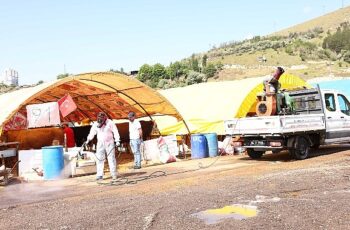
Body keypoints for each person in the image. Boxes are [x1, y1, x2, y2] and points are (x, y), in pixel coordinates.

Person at [86, 112, 121, 181]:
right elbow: (92, 133)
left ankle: (113, 174)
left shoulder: (110, 123)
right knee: (99, 158)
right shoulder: (95, 124)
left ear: (104, 119)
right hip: (100, 144)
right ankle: (99, 175)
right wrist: (88, 140)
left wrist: (117, 140)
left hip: (109, 143)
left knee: (111, 158)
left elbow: (115, 131)